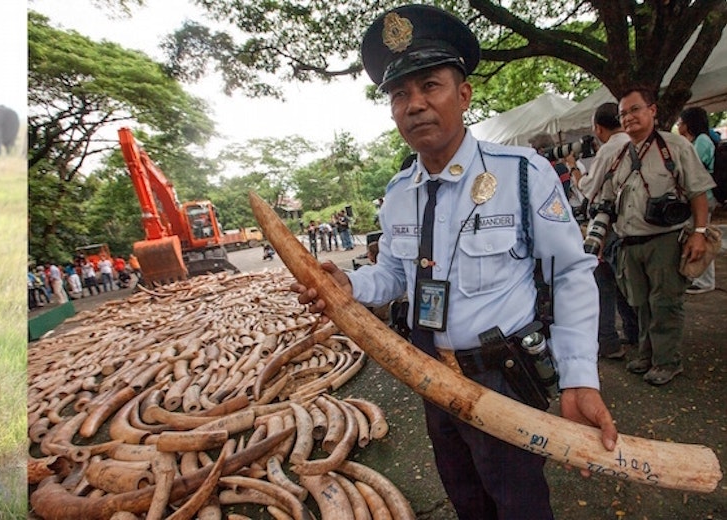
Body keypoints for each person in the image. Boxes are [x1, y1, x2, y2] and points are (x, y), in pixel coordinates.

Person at [292, 6, 617, 519]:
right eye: (400, 94)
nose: (415, 104)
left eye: (430, 86)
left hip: (502, 378)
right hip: (430, 376)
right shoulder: (399, 194)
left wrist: (580, 377)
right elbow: (396, 275)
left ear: (463, 94)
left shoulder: (521, 174)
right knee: (466, 498)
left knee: (517, 502)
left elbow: (572, 273)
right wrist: (348, 284)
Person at [594, 87, 715, 385]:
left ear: (652, 110)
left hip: (665, 240)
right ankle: (648, 354)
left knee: (665, 304)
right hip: (629, 242)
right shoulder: (620, 154)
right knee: (641, 304)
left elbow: (699, 194)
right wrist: (599, 242)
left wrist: (699, 233)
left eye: (635, 109)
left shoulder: (675, 147)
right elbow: (607, 203)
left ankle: (667, 362)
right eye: (623, 113)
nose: (629, 117)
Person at [580, 102, 639, 359]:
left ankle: (607, 340)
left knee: (603, 283)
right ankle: (635, 333)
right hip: (637, 225)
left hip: (609, 225)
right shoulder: (640, 143)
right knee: (626, 284)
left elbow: (588, 188)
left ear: (599, 128)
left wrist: (574, 169)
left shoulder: (609, 150)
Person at [677, 106, 718, 294]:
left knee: (701, 236)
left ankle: (705, 280)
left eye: (681, 121)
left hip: (703, 197)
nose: (678, 124)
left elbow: (692, 169)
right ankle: (698, 277)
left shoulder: (702, 141)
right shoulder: (697, 141)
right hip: (698, 197)